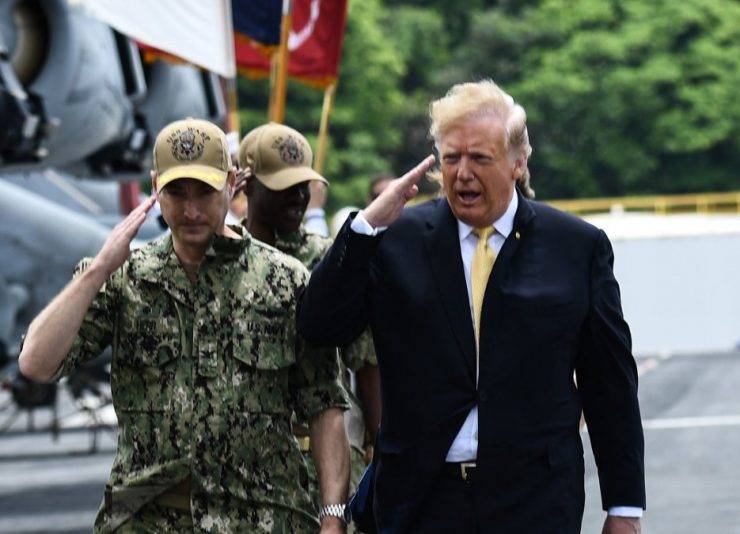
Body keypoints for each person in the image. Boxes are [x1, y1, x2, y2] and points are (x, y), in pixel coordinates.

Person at [297, 80, 645, 533]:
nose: (462, 173)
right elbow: (320, 326)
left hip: (534, 502)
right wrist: (363, 228)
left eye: (480, 158)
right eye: (451, 158)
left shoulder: (576, 248)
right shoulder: (396, 239)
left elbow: (609, 384)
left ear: (519, 162)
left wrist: (624, 508)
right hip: (421, 502)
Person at [18, 118, 350, 533]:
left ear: (231, 183)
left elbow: (325, 408)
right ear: (155, 186)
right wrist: (98, 270)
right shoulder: (126, 278)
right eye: (176, 192)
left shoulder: (285, 280)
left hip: (263, 518)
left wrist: (333, 517)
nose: (191, 210)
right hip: (146, 519)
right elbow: (36, 364)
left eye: (205, 192)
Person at [238, 122, 381, 529]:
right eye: (283, 186)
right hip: (251, 466)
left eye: (303, 185)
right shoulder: (226, 259)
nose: (298, 197)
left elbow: (366, 362)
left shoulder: (331, 260)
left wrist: (378, 450)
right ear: (246, 185)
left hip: (329, 458)